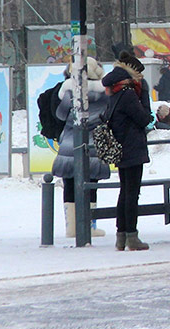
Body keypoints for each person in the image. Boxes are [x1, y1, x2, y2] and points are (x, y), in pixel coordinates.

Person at [51, 56, 111, 238]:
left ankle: (71, 227)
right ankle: (90, 226)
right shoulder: (103, 95)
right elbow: (107, 116)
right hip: (93, 146)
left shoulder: (70, 91)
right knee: (91, 184)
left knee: (69, 183)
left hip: (70, 145)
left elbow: (60, 115)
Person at [101, 51, 152, 250]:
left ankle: (121, 236)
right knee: (132, 194)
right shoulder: (129, 94)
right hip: (132, 148)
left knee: (125, 192)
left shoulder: (115, 91)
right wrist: (145, 96)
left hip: (121, 147)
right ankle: (132, 237)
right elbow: (144, 119)